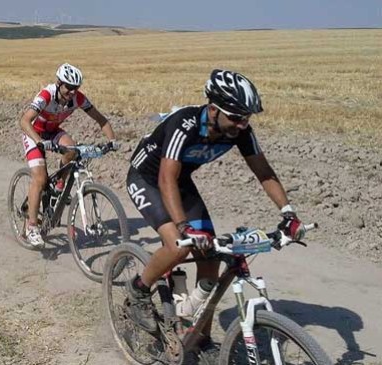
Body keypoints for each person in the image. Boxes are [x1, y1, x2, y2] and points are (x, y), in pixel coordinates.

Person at [125, 69, 306, 355]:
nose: (243, 124)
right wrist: (184, 228)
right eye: (236, 117)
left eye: (247, 118)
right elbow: (165, 178)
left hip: (179, 182)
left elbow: (263, 171)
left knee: (210, 258)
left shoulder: (239, 130)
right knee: (178, 246)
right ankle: (138, 289)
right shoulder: (183, 122)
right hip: (148, 178)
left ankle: (199, 339)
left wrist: (289, 214)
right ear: (212, 109)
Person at [19, 63, 118, 248]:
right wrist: (39, 141)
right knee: (40, 179)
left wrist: (112, 140)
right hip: (33, 133)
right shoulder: (46, 95)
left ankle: (59, 185)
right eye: (69, 88)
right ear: (59, 83)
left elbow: (101, 119)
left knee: (72, 149)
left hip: (53, 131)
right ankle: (31, 227)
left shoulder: (78, 99)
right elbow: (24, 120)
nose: (72, 92)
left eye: (76, 88)